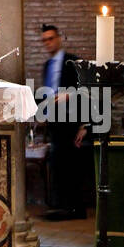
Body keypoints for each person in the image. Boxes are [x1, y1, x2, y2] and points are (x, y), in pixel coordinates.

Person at [38, 22, 87, 220]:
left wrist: (84, 124)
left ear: (58, 38)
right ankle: (62, 206)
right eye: (44, 41)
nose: (48, 43)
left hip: (72, 119)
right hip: (55, 121)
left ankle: (76, 208)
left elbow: (86, 89)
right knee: (58, 164)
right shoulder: (47, 66)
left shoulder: (73, 62)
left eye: (51, 39)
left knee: (71, 165)